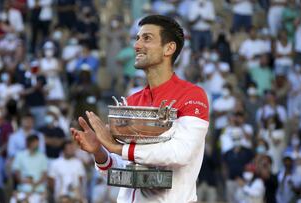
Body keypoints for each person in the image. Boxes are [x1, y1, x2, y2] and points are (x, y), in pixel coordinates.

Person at [71, 15, 209, 202]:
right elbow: (128, 171)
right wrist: (99, 151)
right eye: (137, 39)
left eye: (147, 38)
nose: (136, 46)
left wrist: (116, 147)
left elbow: (181, 153)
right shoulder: (132, 100)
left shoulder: (191, 95)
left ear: (169, 48)